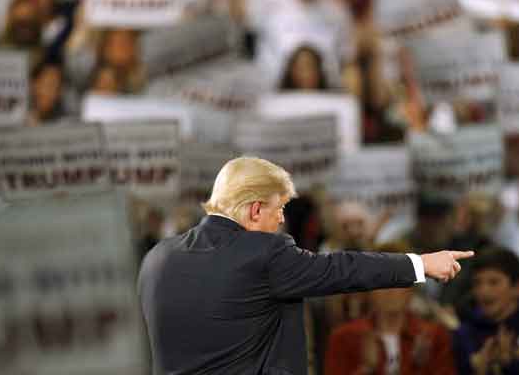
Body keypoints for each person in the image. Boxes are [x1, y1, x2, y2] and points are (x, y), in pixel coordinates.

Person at [138, 157, 474, 374]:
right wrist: (420, 263)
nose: (283, 221)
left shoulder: (157, 258)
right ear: (255, 210)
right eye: (280, 209)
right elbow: (340, 269)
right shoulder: (264, 251)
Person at [325, 242, 457, 375]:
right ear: (369, 289)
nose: (390, 290)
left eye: (398, 280)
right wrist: (367, 369)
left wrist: (419, 367)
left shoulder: (433, 336)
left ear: (412, 288)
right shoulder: (345, 338)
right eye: (382, 280)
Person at [453, 246, 519, 375]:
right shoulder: (464, 334)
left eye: (494, 282)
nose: (484, 291)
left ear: (516, 287)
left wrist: (512, 365)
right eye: (477, 283)